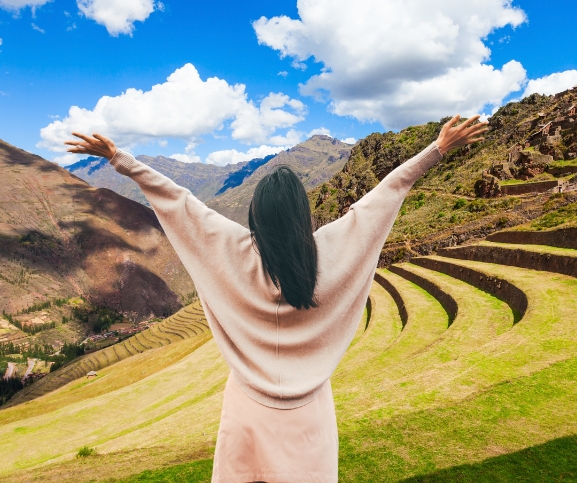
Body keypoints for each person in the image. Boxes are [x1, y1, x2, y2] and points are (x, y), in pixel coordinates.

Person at [65, 115, 487, 483]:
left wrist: (122, 161)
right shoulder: (332, 252)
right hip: (310, 418)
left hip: (247, 410)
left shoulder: (231, 249)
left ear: (256, 216)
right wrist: (437, 149)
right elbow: (384, 196)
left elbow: (180, 202)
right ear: (303, 214)